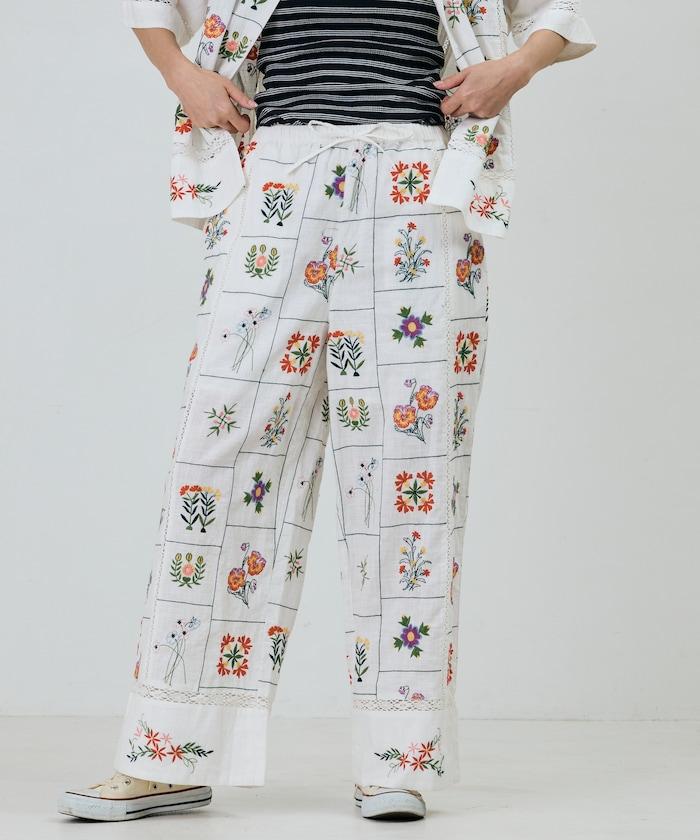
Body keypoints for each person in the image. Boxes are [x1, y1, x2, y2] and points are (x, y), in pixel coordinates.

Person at [59, 0, 595, 822]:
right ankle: (169, 751)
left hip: (421, 180)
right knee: (218, 452)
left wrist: (515, 69)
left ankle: (396, 757)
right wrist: (182, 76)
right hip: (277, 171)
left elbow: (560, 9)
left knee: (410, 466)